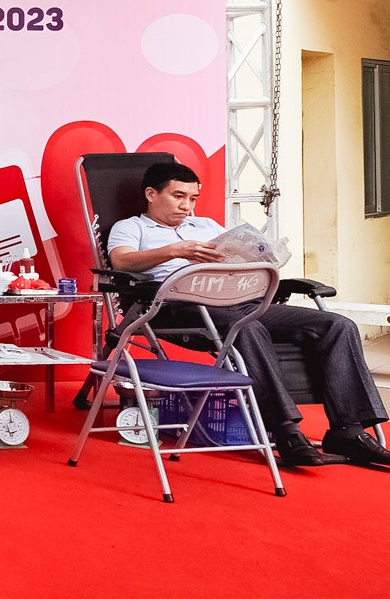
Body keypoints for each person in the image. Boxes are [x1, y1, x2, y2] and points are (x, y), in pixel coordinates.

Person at [106, 161, 390, 468]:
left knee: (337, 325)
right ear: (151, 194)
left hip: (240, 300)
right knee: (246, 327)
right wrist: (177, 251)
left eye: (192, 198)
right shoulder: (131, 227)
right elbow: (121, 261)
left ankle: (348, 432)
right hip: (179, 307)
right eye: (178, 196)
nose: (187, 206)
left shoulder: (206, 226)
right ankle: (285, 430)